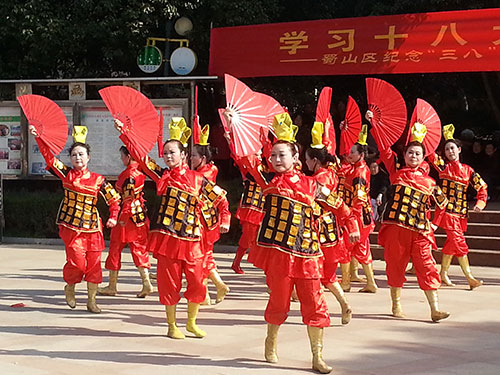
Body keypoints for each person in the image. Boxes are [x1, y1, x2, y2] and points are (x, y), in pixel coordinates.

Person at [230, 112, 360, 374]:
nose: (276, 160)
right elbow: (246, 159)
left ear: (295, 158)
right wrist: (236, 126)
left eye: (282, 155)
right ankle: (271, 340)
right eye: (273, 155)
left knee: (315, 302)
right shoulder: (266, 181)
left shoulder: (313, 185)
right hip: (279, 253)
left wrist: (353, 224)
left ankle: (317, 356)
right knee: (279, 302)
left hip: (309, 252)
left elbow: (340, 206)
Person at [116, 117, 227, 339]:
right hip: (168, 239)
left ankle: (191, 322)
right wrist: (126, 133)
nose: (168, 156)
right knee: (169, 283)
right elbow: (141, 158)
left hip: (192, 238)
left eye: (172, 152)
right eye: (165, 153)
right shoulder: (162, 175)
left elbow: (221, 200)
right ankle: (172, 325)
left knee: (197, 282)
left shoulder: (198, 179)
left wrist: (225, 220)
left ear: (183, 155)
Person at [29, 125, 120, 313]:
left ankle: (92, 300)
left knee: (94, 265)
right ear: (70, 159)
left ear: (88, 157)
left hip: (93, 228)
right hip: (72, 227)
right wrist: (38, 137)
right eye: (74, 155)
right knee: (77, 262)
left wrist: (113, 217)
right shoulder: (67, 174)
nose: (78, 158)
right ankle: (70, 287)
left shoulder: (98, 179)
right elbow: (49, 158)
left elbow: (115, 200)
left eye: (81, 154)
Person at [374, 118, 450, 322]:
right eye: (410, 153)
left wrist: (434, 223)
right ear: (404, 155)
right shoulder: (395, 173)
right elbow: (385, 150)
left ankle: (435, 308)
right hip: (396, 228)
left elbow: (443, 204)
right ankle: (396, 304)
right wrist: (376, 125)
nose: (413, 156)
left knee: (427, 266)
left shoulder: (430, 182)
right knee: (395, 266)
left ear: (424, 157)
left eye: (418, 153)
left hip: (420, 231)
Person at [429, 125, 487, 290]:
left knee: (452, 244)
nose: (450, 151)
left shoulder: (468, 171)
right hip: (447, 212)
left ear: (459, 149)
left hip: (461, 213)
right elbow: (430, 155)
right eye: (447, 149)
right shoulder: (443, 167)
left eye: (452, 148)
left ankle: (443, 274)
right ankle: (469, 277)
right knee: (459, 243)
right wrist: (420, 138)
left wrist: (480, 203)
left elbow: (482, 187)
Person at [305, 122, 352, 325]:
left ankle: (320, 310)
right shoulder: (331, 171)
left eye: (307, 160)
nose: (305, 164)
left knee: (315, 273)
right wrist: (325, 135)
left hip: (318, 228)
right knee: (329, 274)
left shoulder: (319, 179)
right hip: (332, 229)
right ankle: (343, 304)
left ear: (315, 161)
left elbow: (321, 201)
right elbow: (328, 150)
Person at [99, 146, 153, 298]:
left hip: (127, 218)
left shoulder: (129, 174)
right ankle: (146, 282)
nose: (121, 159)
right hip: (139, 216)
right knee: (139, 249)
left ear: (128, 156)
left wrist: (121, 219)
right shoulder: (139, 172)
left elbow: (128, 200)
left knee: (115, 249)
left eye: (122, 156)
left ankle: (112, 285)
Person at [191, 126, 231, 304]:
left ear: (203, 158)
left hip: (202, 221)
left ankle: (208, 290)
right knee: (205, 256)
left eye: (193, 156)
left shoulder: (203, 176)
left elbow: (222, 199)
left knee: (200, 257)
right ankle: (213, 288)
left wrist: (225, 219)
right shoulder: (205, 171)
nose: (190, 159)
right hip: (206, 220)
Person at [340, 126, 378, 293]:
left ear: (361, 155)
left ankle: (347, 282)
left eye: (352, 152)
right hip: (362, 216)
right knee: (361, 248)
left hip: (357, 216)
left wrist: (353, 220)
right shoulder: (356, 168)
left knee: (348, 247)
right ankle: (366, 281)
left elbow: (359, 199)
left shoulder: (359, 173)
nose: (349, 154)